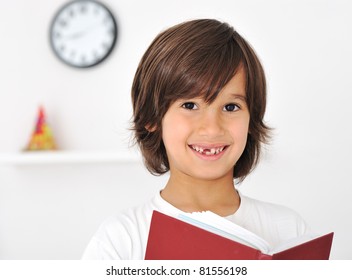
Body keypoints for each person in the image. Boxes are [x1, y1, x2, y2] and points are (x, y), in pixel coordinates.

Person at [82, 19, 311, 260]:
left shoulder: (290, 231)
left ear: (251, 121)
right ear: (153, 118)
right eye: (190, 105)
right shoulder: (121, 240)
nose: (212, 129)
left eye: (231, 107)